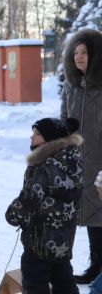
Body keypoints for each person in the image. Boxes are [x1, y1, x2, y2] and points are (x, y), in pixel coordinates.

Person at [5, 117, 83, 293]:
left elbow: (30, 199)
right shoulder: (73, 159)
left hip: (39, 241)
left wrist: (12, 215)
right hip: (64, 239)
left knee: (35, 283)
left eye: (38, 134)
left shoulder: (41, 164)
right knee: (64, 280)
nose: (31, 138)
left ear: (51, 138)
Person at [61, 28, 102, 284]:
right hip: (78, 161)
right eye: (75, 52)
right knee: (90, 214)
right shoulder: (71, 85)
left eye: (84, 52)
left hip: (99, 160)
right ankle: (96, 266)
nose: (79, 57)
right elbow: (64, 121)